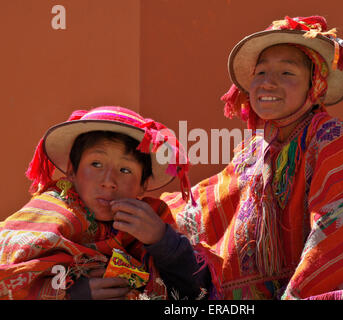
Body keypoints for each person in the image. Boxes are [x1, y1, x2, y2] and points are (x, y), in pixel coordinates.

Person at [161, 15, 343, 300]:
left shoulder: (329, 137)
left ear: (314, 85)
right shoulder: (252, 152)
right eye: (260, 73)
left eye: (287, 73)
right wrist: (150, 215)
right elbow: (209, 207)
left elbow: (338, 231)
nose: (268, 83)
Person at [0, 106, 210, 300]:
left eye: (125, 170)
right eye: (96, 164)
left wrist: (160, 239)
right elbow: (8, 279)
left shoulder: (152, 221)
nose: (109, 182)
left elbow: (197, 290)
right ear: (72, 171)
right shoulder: (46, 216)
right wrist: (70, 294)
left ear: (143, 185)